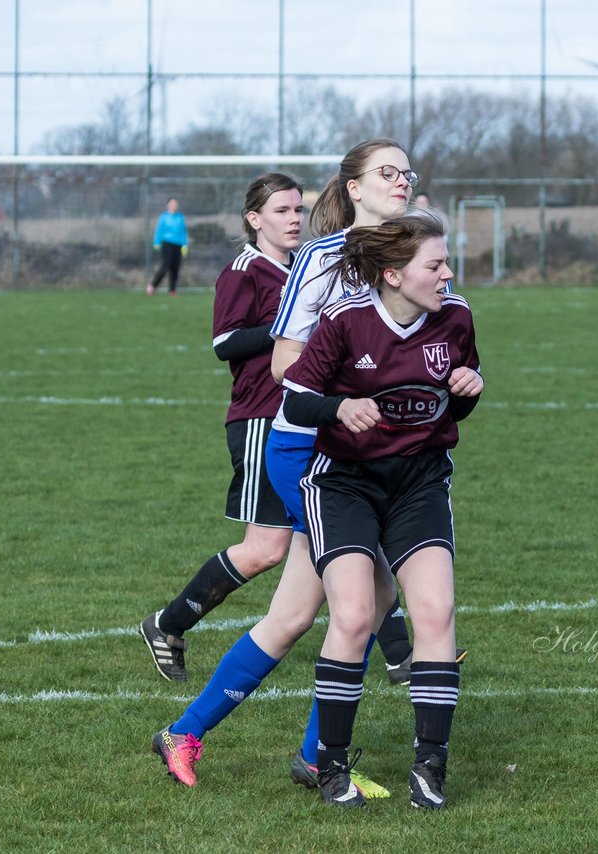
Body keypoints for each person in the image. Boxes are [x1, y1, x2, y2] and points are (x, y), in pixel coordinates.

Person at [151, 139, 447, 799]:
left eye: (408, 173)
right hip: (307, 449)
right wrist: (347, 383)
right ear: (355, 187)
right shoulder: (322, 257)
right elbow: (284, 365)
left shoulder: (411, 254)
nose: (402, 181)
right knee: (368, 599)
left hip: (370, 452)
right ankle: (316, 756)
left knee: (295, 615)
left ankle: (189, 734)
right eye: (387, 173)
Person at [283, 208, 481, 809]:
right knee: (351, 616)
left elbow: (446, 409)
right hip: (344, 483)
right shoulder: (345, 322)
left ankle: (430, 768)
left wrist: (468, 391)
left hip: (419, 481)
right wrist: (339, 407)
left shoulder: (457, 319)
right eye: (436, 264)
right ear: (394, 274)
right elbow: (292, 403)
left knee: (437, 611)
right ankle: (332, 769)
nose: (447, 274)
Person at [140, 175, 306, 682]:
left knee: (336, 532)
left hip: (307, 418)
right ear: (255, 220)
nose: (294, 218)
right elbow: (225, 342)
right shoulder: (244, 270)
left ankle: (399, 654)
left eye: (298, 209)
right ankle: (168, 623)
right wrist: (288, 328)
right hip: (261, 418)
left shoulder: (305, 267)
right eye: (282, 211)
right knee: (265, 550)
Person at [147, 197, 188, 295]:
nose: (174, 205)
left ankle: (172, 289)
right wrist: (156, 242)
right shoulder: (164, 216)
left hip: (178, 244)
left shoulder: (180, 217)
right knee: (165, 266)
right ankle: (152, 285)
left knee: (175, 268)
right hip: (166, 243)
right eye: (172, 203)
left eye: (175, 203)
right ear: (168, 205)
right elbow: (159, 230)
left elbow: (183, 232)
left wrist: (185, 245)